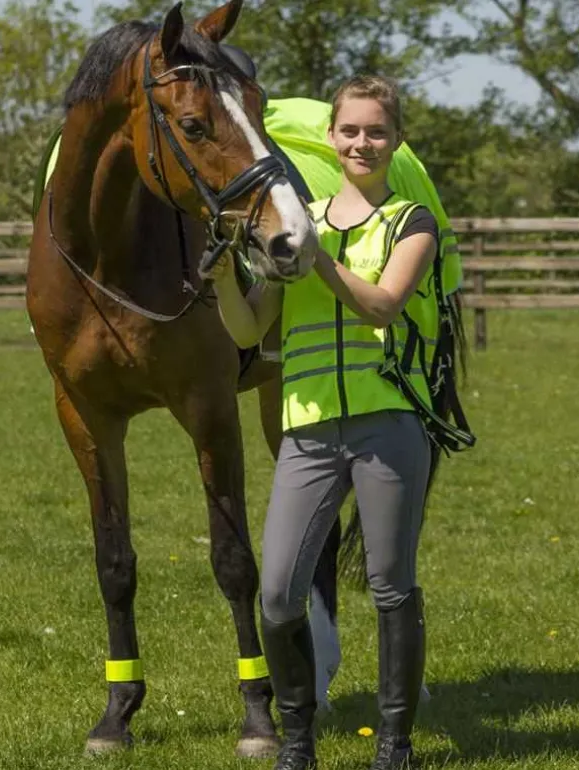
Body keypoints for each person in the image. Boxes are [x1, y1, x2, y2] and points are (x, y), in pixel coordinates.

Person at [207, 73, 470, 770]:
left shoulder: (410, 222)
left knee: (390, 583)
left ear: (395, 139)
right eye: (349, 130)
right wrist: (220, 279)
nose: (362, 142)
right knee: (278, 590)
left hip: (389, 427)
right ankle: (298, 742)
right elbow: (248, 328)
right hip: (309, 431)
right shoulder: (300, 222)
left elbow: (381, 306)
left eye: (376, 131)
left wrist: (314, 253)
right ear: (331, 137)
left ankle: (394, 745)